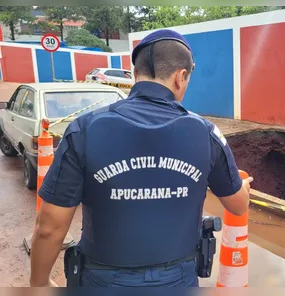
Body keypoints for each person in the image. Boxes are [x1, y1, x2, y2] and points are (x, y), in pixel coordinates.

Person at [29, 29, 254, 288]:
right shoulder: (206, 133)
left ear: (136, 75)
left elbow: (49, 228)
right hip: (177, 281)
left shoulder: (84, 130)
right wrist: (242, 188)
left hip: (101, 280)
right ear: (181, 77)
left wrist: (39, 283)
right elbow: (238, 205)